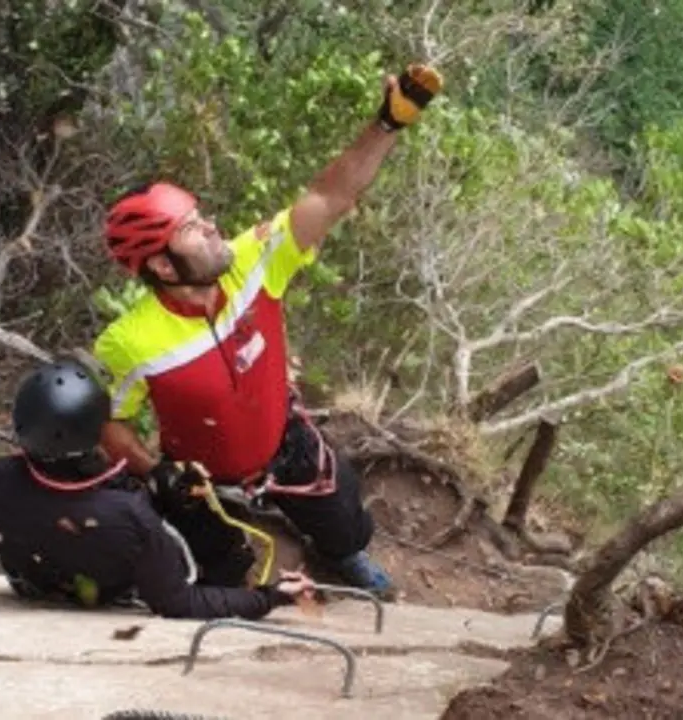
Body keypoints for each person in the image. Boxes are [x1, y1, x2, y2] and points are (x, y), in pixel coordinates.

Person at [92, 63, 444, 598]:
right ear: (162, 267)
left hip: (286, 441)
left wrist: (387, 125)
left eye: (200, 215)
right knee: (229, 574)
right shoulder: (130, 341)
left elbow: (330, 198)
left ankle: (342, 553)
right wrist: (152, 470)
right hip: (204, 478)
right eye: (191, 229)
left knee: (346, 522)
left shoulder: (253, 263)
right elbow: (110, 422)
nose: (211, 227)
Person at [0, 356, 315, 620]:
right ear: (97, 429)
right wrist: (268, 596)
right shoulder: (130, 513)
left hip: (34, 581)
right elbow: (178, 602)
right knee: (199, 514)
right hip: (108, 591)